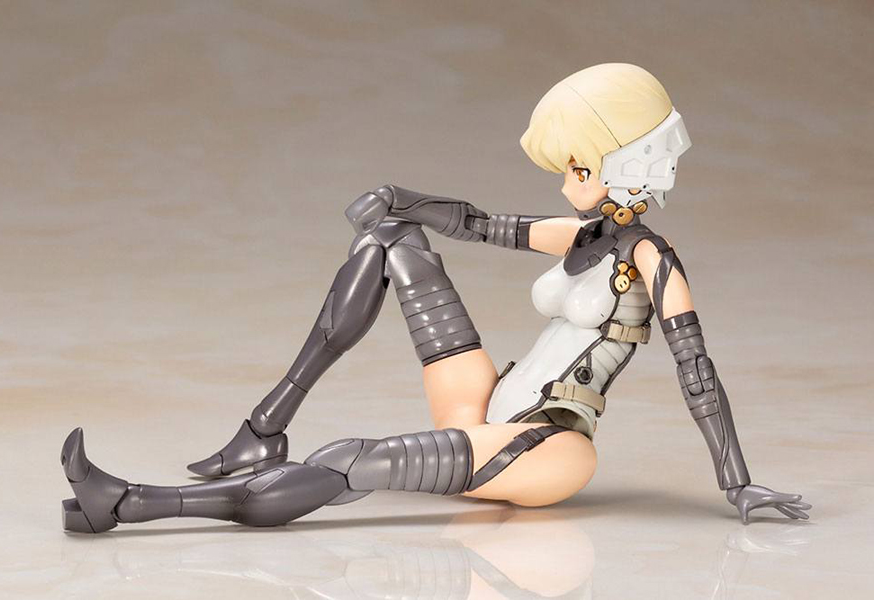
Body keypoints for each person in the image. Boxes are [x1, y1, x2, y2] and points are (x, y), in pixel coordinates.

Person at [59, 63, 811, 533]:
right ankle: (263, 429)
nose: (564, 182)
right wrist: (402, 198)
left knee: (348, 459)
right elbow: (480, 224)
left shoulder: (653, 262)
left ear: (627, 166)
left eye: (577, 167)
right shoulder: (581, 236)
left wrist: (737, 484)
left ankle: (131, 504)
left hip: (546, 445)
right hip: (483, 404)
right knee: (392, 238)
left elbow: (697, 373)